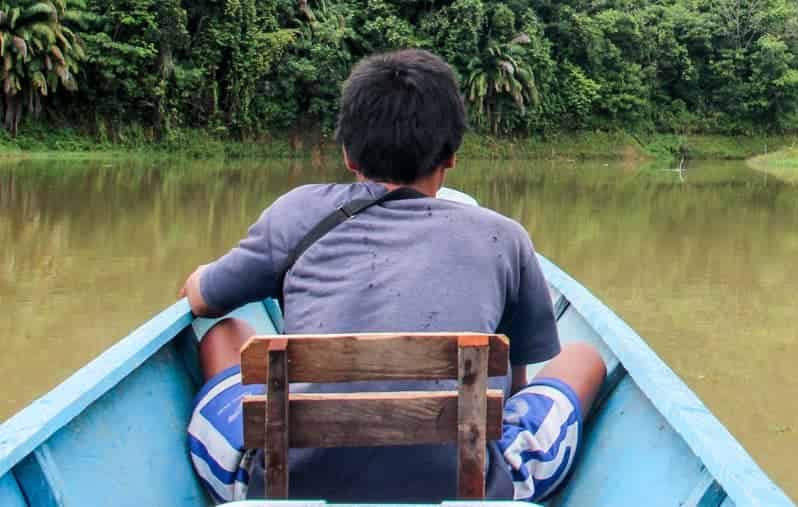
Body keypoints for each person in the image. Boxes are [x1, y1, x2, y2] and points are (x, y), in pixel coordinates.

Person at [180, 49, 606, 502]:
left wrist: (197, 278)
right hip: (473, 486)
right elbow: (515, 384)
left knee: (226, 333)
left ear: (347, 153)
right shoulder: (504, 237)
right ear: (452, 157)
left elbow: (204, 300)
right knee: (583, 358)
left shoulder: (295, 213)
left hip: (284, 485)